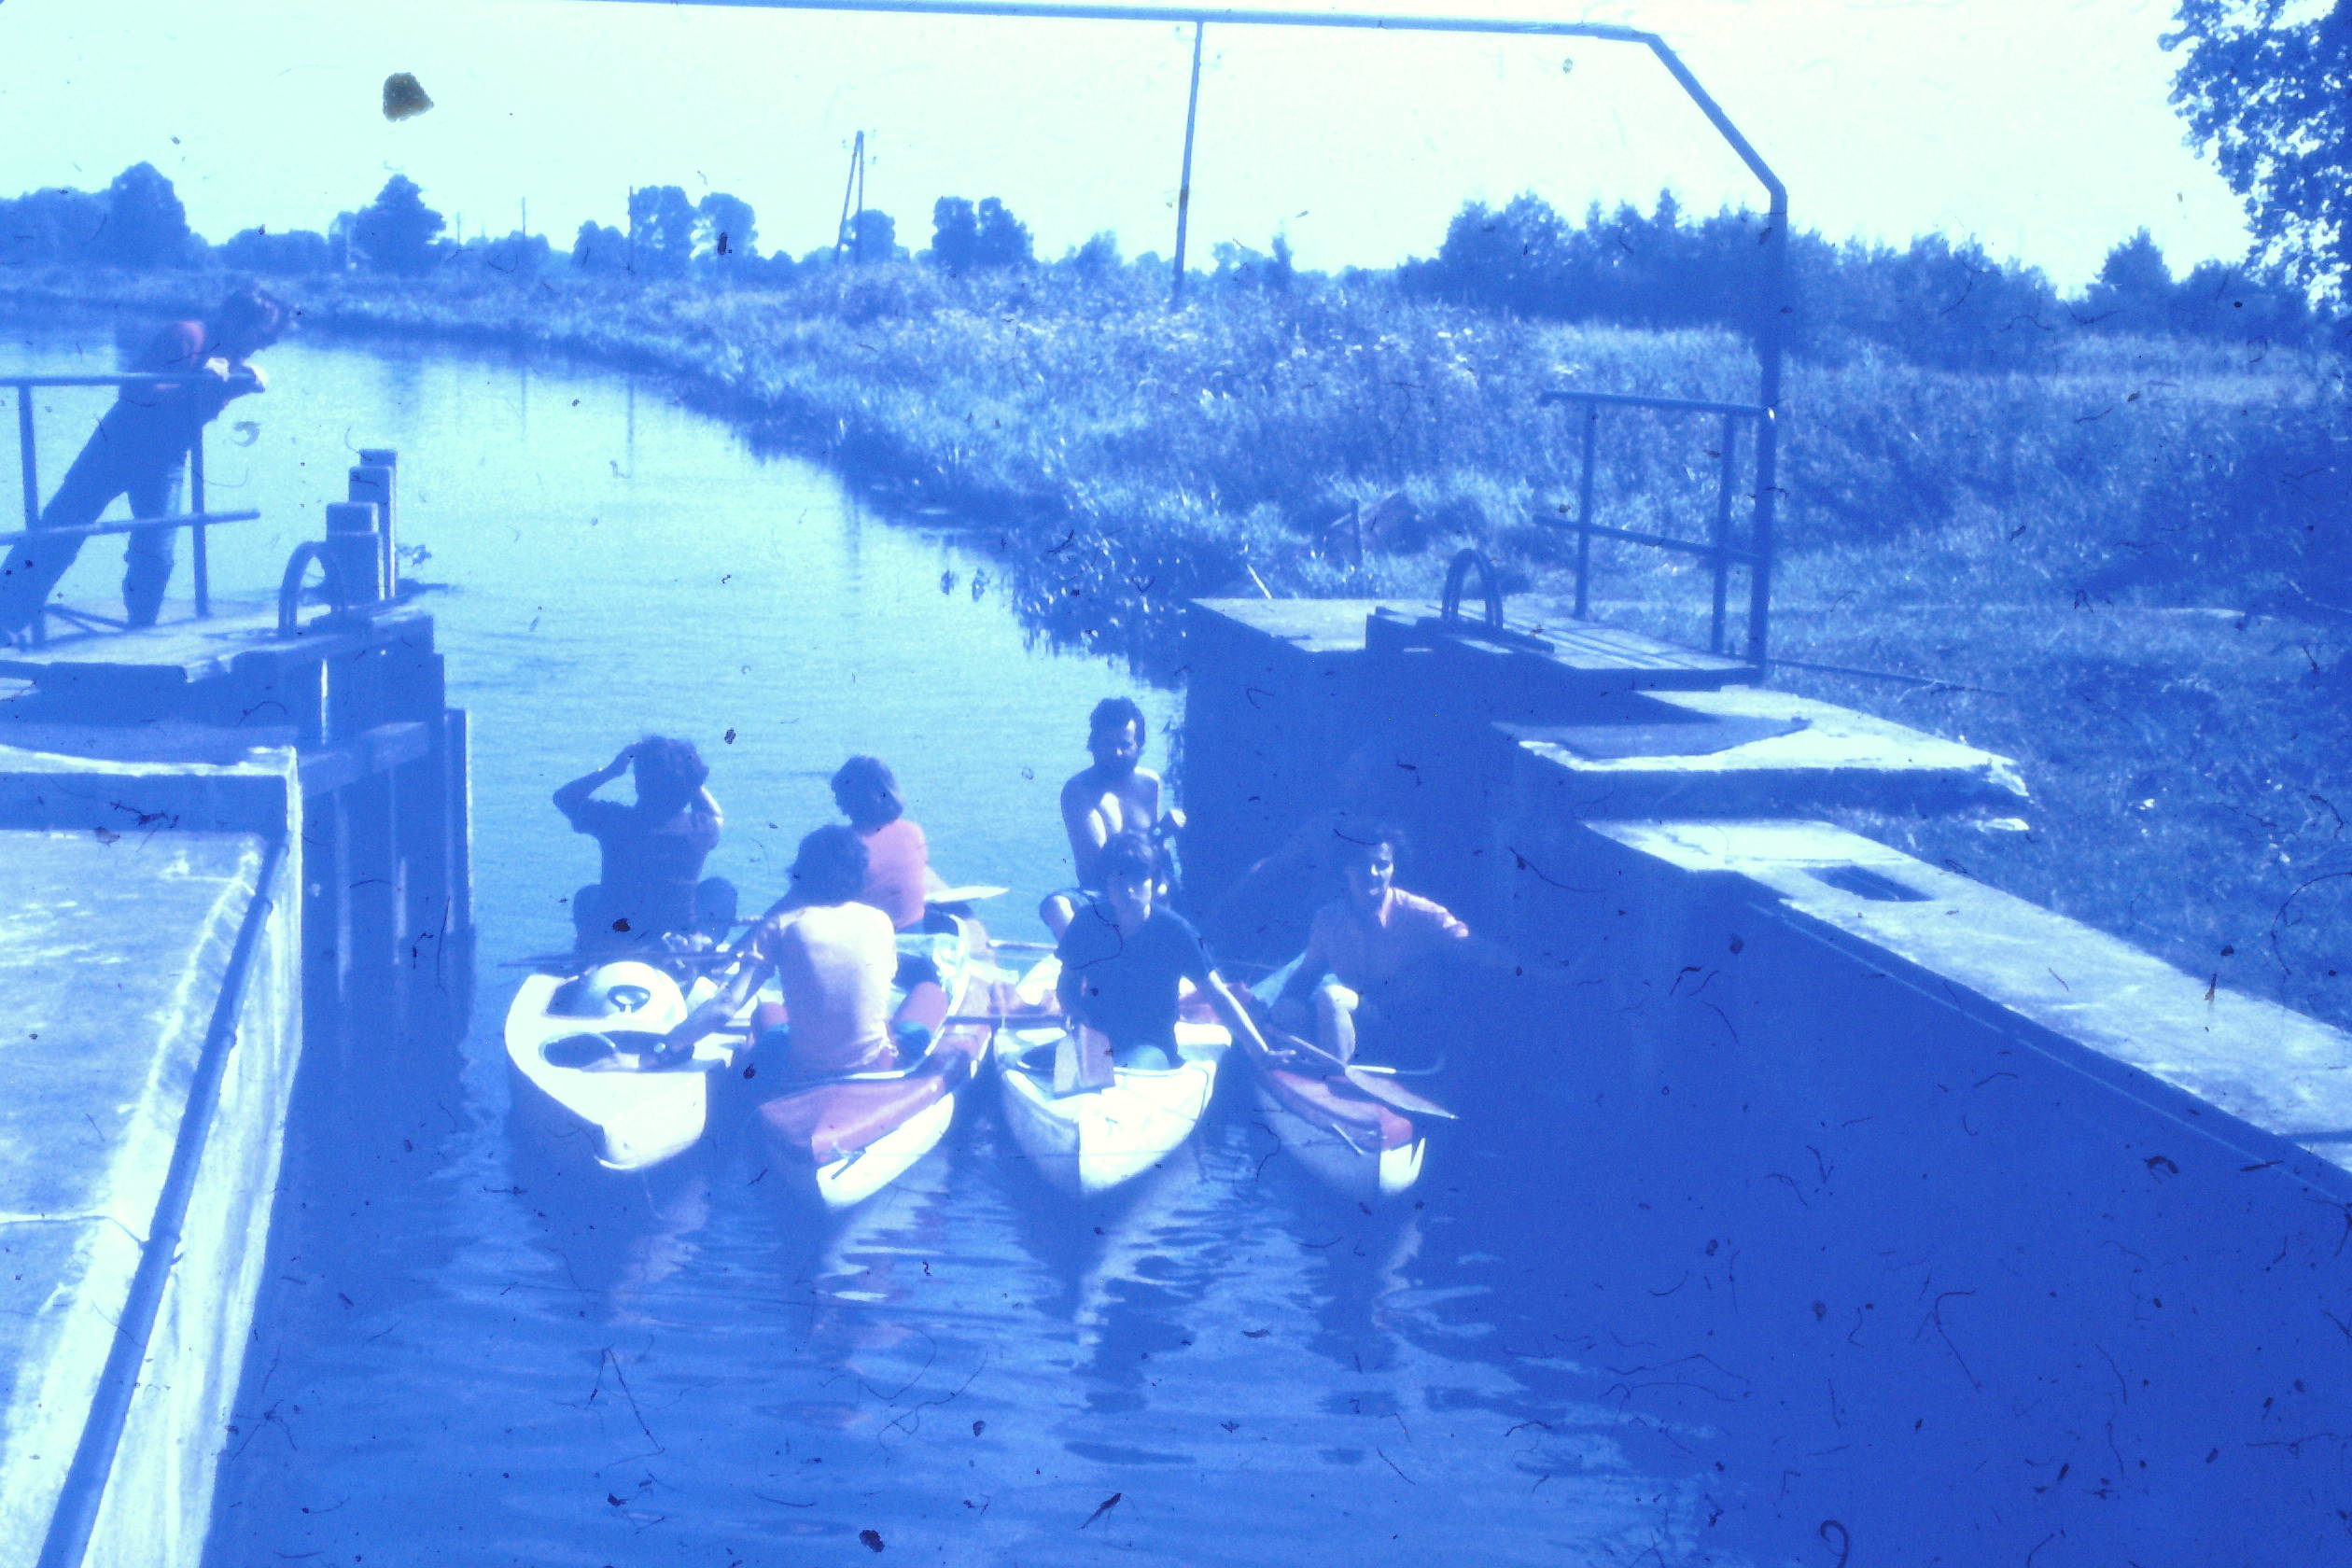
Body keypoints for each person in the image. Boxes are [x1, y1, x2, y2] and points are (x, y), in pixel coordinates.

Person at [0, 286, 290, 640]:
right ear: (237, 320)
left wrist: (243, 381)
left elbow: (203, 403)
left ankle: (141, 631)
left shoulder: (231, 355)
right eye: (264, 336)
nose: (265, 346)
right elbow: (135, 392)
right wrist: (196, 382)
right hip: (115, 448)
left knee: (157, 550)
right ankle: (5, 620)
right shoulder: (188, 336)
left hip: (166, 458)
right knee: (60, 532)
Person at [661, 825, 898, 1077]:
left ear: (800, 870)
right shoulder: (880, 921)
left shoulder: (783, 924)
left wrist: (665, 1047)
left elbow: (726, 1006)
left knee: (767, 1013)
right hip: (874, 1064)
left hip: (806, 1071)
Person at [1055, 831, 1271, 1071]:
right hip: (1094, 1039)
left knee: (1122, 1072)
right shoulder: (1087, 921)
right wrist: (1074, 1013)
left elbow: (1217, 996)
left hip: (1150, 1045)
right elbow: (1068, 983)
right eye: (1119, 881)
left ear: (1154, 882)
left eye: (1138, 880)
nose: (1129, 890)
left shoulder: (1177, 931)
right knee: (1035, 1063)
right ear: (1107, 884)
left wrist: (1262, 1054)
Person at [1272, 825, 1470, 1065]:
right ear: (1345, 867)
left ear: (1393, 867)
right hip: (1359, 1022)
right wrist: (1281, 1009)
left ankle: (1335, 1077)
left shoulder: (1419, 912)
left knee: (1333, 997)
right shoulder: (1328, 920)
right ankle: (1306, 1074)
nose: (1372, 873)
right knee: (1287, 1008)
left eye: (1382, 864)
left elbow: (1470, 945)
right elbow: (1306, 976)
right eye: (1361, 864)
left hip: (1409, 1027)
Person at [554, 737, 735, 952]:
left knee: (587, 895)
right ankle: (700, 940)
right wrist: (692, 783)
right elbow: (716, 815)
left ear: (639, 783)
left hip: (617, 931)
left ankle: (594, 945)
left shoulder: (614, 820)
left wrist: (611, 771)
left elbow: (564, 798)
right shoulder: (699, 828)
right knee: (720, 889)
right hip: (675, 929)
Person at [1040, 696, 1183, 938]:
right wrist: (1160, 834)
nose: (1117, 753)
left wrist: (1171, 833)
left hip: (1150, 886)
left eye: (1125, 745)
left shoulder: (1149, 783)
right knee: (1056, 906)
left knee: (1165, 892)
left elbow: (1159, 852)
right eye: (1108, 744)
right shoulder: (1080, 791)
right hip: (1102, 894)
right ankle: (1081, 955)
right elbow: (1101, 863)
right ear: (1094, 744)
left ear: (1138, 745)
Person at [829, 754, 930, 931]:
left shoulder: (845, 846)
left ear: (852, 799)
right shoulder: (913, 832)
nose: (837, 802)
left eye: (840, 796)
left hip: (869, 939)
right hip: (914, 933)